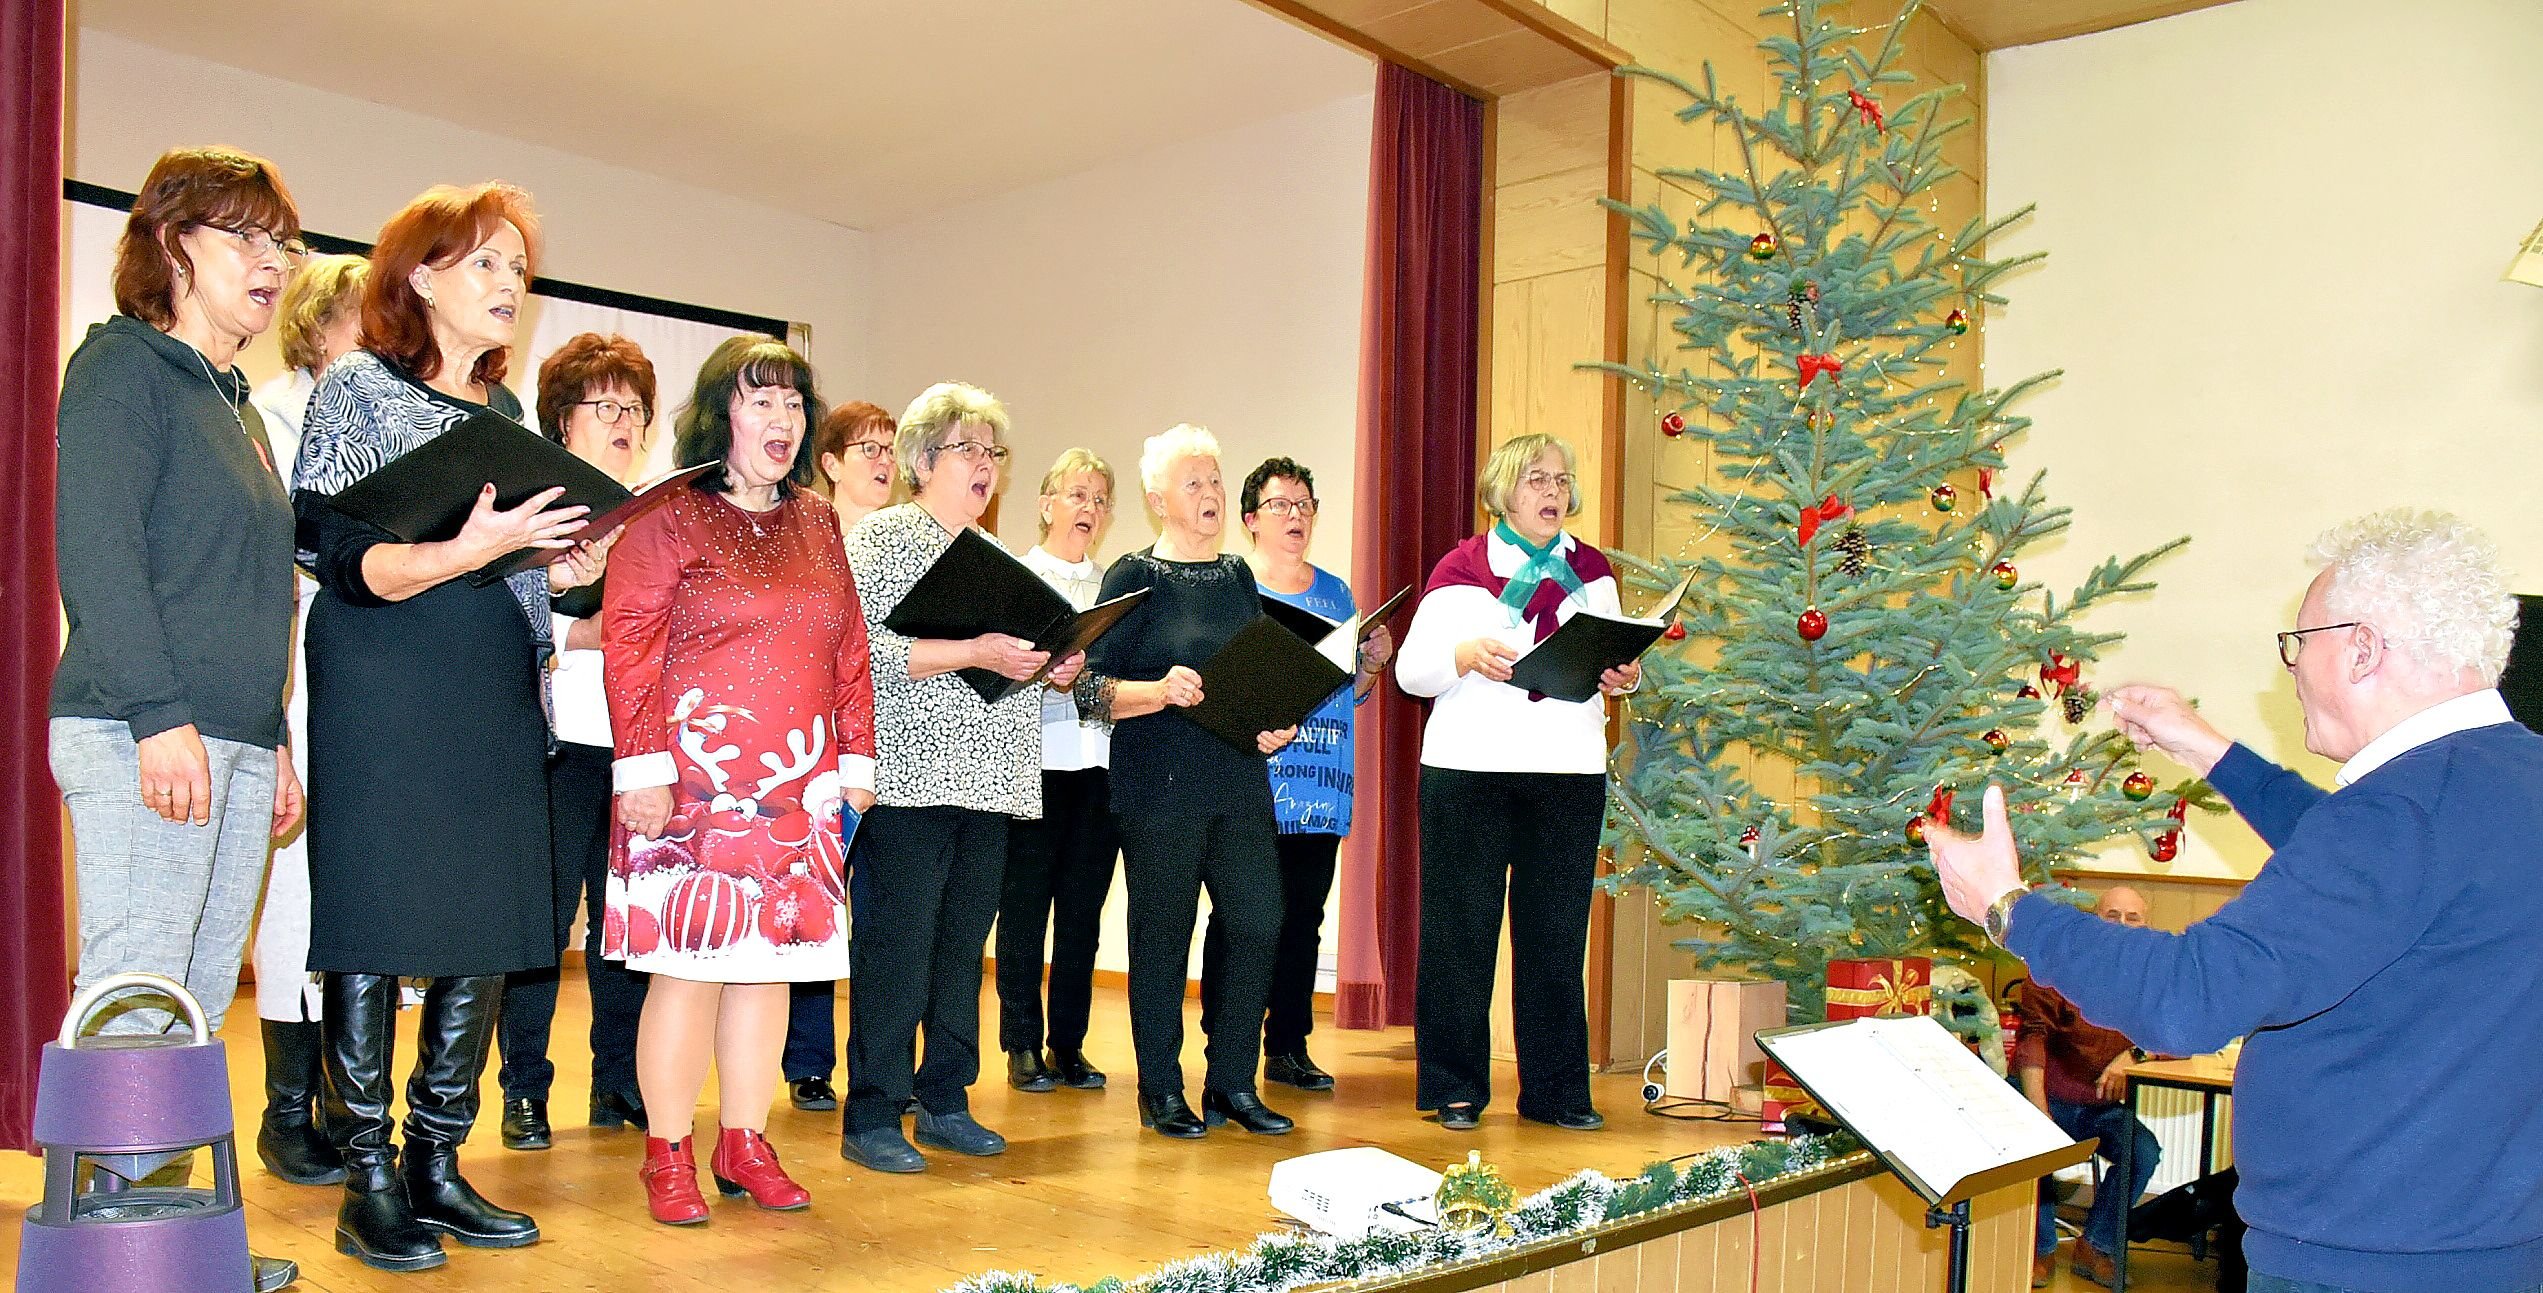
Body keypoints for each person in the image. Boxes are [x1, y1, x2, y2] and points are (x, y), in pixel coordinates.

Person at [1926, 509, 2543, 1293]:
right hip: (2491, 1249)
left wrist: (2007, 906)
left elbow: (2185, 998)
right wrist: (2204, 747)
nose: (2290, 669)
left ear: (2362, 648)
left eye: (2299, 640)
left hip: (2364, 1264)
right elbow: (2369, 872)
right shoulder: (2506, 783)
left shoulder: (2400, 812)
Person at [292, 182, 598, 1273]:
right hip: (386, 673)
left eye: (518, 269)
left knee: (481, 914)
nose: (510, 285)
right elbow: (329, 550)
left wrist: (561, 568)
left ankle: (435, 1159)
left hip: (489, 680)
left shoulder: (506, 422)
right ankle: (367, 1174)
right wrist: (467, 553)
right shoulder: (356, 389)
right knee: (377, 912)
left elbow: (516, 579)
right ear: (420, 277)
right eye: (486, 265)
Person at [52, 145, 308, 1293]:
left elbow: (252, 592)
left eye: (281, 243)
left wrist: (276, 742)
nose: (272, 263)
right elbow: (97, 555)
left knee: (194, 1006)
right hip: (139, 724)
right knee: (137, 986)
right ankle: (117, 1264)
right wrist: (160, 718)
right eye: (244, 237)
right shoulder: (122, 368)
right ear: (172, 245)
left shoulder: (237, 403)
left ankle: (167, 1251)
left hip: (236, 740)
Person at [603, 336, 876, 1225]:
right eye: (762, 401)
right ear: (720, 411)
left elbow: (848, 649)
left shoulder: (818, 519)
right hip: (690, 782)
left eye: (794, 402)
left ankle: (744, 1141)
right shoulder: (667, 513)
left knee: (771, 969)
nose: (783, 420)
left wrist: (855, 759)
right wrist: (640, 767)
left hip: (800, 786)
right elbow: (631, 642)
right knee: (689, 969)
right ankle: (667, 1150)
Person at [838, 381, 1077, 1171]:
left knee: (958, 953)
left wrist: (1055, 662)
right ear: (919, 461)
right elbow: (857, 656)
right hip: (908, 782)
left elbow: (1017, 659)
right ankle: (872, 1110)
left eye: (993, 452)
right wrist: (971, 650)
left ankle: (944, 1099)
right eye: (967, 449)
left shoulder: (1001, 558)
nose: (985, 465)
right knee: (895, 949)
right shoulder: (878, 540)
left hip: (991, 784)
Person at [1395, 432, 1639, 1133]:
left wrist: (1626, 674)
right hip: (1468, 771)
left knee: (1554, 939)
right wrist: (1465, 654)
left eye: (1561, 480)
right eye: (1536, 478)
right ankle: (1454, 1088)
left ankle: (1557, 1092)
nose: (1552, 492)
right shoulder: (1462, 568)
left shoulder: (1591, 572)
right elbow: (1413, 673)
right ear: (1502, 490)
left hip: (1565, 772)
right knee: (1458, 935)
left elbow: (1611, 659)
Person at [1077, 424, 1297, 1140]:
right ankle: (1161, 1088)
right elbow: (1089, 690)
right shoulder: (1132, 576)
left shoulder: (1236, 574)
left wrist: (1275, 720)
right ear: (1156, 498)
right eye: (1194, 482)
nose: (1210, 494)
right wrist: (1156, 689)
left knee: (1259, 919)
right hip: (1159, 785)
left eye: (1214, 480)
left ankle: (1232, 1081)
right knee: (1162, 934)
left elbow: (1258, 669)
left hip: (1237, 778)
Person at [495, 332, 661, 1152]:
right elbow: (502, 618)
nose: (625, 420)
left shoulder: (659, 516)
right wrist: (583, 630)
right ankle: (524, 1089)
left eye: (635, 408)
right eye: (608, 406)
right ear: (563, 421)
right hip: (555, 746)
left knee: (624, 926)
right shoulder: (538, 509)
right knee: (542, 923)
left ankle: (618, 1081)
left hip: (637, 752)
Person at [1197, 457, 1391, 1093]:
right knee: (1241, 917)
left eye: (1305, 505)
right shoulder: (1233, 588)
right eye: (1281, 505)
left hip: (1321, 785)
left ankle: (1287, 1045)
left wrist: (1369, 665)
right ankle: (1225, 1042)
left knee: (1302, 918)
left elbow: (1350, 692)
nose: (1296, 516)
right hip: (1251, 783)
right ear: (1251, 520)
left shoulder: (1336, 593)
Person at [241, 251, 364, 1190]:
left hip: (368, 684)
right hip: (295, 685)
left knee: (354, 898)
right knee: (292, 894)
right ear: (318, 327)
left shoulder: (384, 418)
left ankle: (337, 1098)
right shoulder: (272, 416)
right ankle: (286, 1114)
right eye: (365, 320)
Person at [782, 398, 899, 1113]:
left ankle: (882, 1066)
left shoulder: (909, 543)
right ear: (828, 464)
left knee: (883, 919)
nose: (883, 462)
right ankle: (808, 1061)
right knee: (817, 906)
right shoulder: (811, 539)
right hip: (819, 752)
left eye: (890, 448)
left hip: (895, 758)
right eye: (867, 449)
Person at [997, 448, 1122, 1093]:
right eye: (1077, 494)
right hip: (1031, 763)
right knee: (1025, 911)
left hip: (1098, 766)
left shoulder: (1115, 589)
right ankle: (1021, 1044)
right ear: (1045, 502)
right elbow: (988, 679)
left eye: (1100, 499)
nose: (1089, 509)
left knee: (1082, 913)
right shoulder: (1017, 578)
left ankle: (1068, 1044)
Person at [2016, 887, 2162, 1288]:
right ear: (2094, 918)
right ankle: (2040, 1248)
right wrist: (2039, 1112)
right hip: (2049, 1095)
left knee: (2143, 1153)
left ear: (2146, 924)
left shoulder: (2151, 974)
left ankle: (2095, 1245)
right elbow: (2032, 1039)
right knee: (2033, 1149)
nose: (2122, 926)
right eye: (2112, 915)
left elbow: (2174, 1033)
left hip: (2103, 1108)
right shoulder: (2057, 968)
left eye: (2132, 918)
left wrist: (2133, 1055)